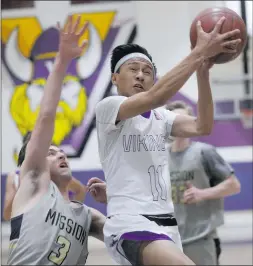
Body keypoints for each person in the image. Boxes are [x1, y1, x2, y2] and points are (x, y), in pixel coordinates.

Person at [94, 16, 241, 266]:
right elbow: (155, 97)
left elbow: (202, 126)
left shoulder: (162, 117)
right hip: (131, 223)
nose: (141, 75)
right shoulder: (110, 107)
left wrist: (202, 74)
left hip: (168, 225)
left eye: (147, 71)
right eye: (133, 69)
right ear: (115, 78)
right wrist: (198, 52)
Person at [7, 15, 105, 265]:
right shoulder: (33, 184)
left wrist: (115, 197)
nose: (60, 154)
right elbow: (46, 116)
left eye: (60, 151)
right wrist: (62, 61)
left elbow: (127, 239)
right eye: (50, 152)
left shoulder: (87, 215)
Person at [165, 100, 241, 265]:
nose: (180, 125)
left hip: (201, 238)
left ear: (192, 123)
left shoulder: (204, 152)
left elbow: (234, 185)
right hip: (169, 239)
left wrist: (202, 193)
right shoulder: (159, 157)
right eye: (174, 120)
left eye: (183, 120)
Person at [4, 135, 87, 221]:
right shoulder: (16, 177)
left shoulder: (56, 175)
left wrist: (73, 216)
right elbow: (7, 215)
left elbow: (80, 190)